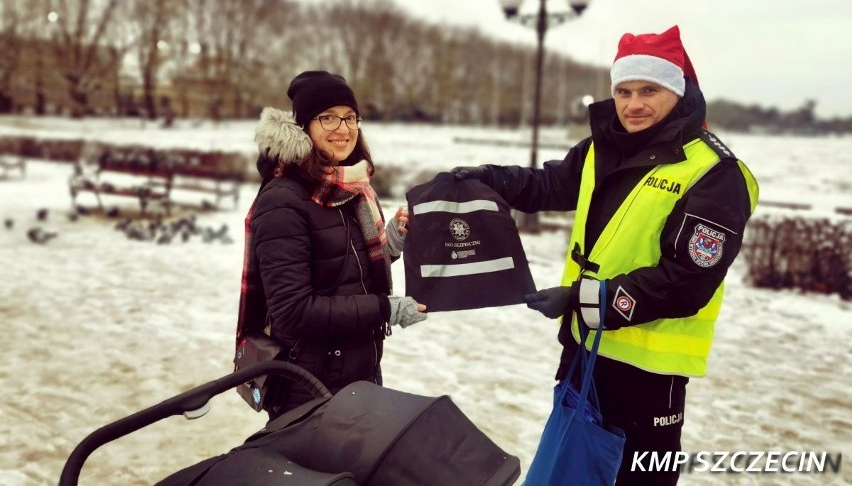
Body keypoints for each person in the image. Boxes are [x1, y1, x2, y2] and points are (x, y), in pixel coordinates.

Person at [453, 26, 758, 485]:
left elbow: (685, 283)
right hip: (583, 350)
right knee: (571, 467)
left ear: (678, 93)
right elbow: (549, 184)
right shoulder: (603, 147)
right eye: (624, 91)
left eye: (649, 90)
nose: (634, 104)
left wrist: (581, 298)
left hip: (649, 376)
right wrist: (488, 178)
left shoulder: (716, 173)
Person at [237, 70, 427, 420]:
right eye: (328, 117)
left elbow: (343, 266)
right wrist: (385, 309)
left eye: (351, 117)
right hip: (308, 385)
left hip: (359, 371)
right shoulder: (283, 201)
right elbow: (294, 311)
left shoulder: (353, 188)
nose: (343, 128)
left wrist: (393, 243)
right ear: (304, 126)